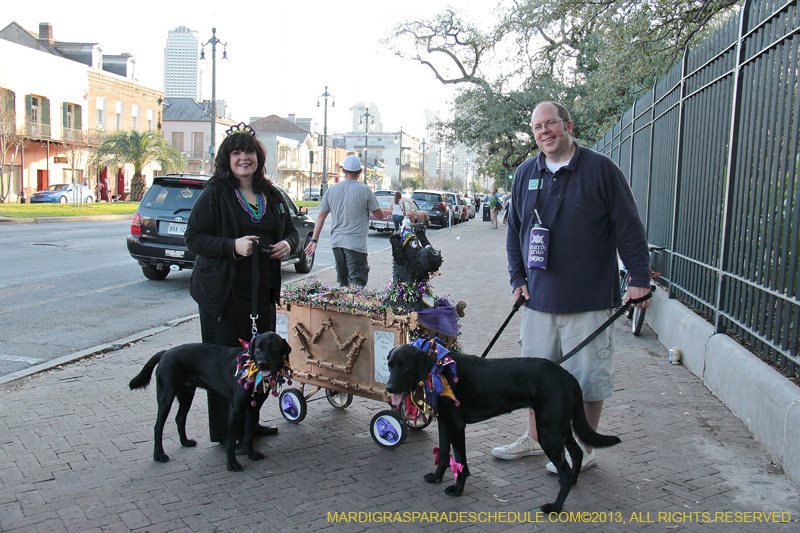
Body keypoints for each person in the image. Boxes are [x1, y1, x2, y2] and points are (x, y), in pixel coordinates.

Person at [491, 101, 651, 473]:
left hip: (589, 300)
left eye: (550, 124)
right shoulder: (525, 173)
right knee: (534, 378)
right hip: (538, 300)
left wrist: (639, 279)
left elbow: (628, 226)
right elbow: (515, 230)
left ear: (568, 126)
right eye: (537, 127)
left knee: (586, 378)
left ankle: (585, 447)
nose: (544, 132)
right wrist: (517, 279)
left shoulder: (601, 170)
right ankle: (535, 439)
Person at [184, 122, 299, 445]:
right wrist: (231, 247)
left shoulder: (271, 194)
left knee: (260, 360)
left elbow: (290, 231)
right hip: (222, 297)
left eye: (249, 151)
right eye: (236, 153)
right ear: (227, 158)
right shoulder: (216, 193)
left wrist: (289, 245)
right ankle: (225, 431)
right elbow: (193, 238)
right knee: (225, 365)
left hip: (259, 295)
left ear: (258, 157)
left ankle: (250, 424)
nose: (243, 158)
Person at [304, 154, 383, 286]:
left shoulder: (332, 190)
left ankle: (342, 305)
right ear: (360, 172)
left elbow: (321, 216)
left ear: (343, 171)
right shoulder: (365, 191)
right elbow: (379, 215)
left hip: (337, 243)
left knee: (342, 282)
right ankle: (354, 305)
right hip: (355, 245)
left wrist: (313, 240)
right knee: (356, 283)